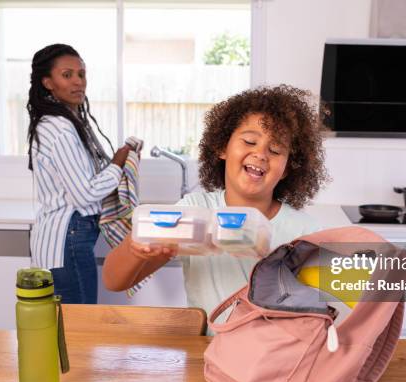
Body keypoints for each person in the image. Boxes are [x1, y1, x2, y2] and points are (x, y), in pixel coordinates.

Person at [102, 85, 329, 316]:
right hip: (210, 349)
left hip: (279, 350)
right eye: (250, 141)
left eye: (275, 149)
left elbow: (356, 292)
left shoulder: (306, 231)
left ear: (287, 169)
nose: (261, 154)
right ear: (222, 147)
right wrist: (137, 250)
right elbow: (114, 281)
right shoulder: (195, 213)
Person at [27, 43, 133, 304]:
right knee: (79, 325)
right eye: (67, 75)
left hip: (60, 239)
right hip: (68, 238)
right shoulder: (61, 128)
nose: (78, 82)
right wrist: (119, 163)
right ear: (48, 82)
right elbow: (85, 193)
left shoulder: (61, 122)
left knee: (65, 325)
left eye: (81, 74)